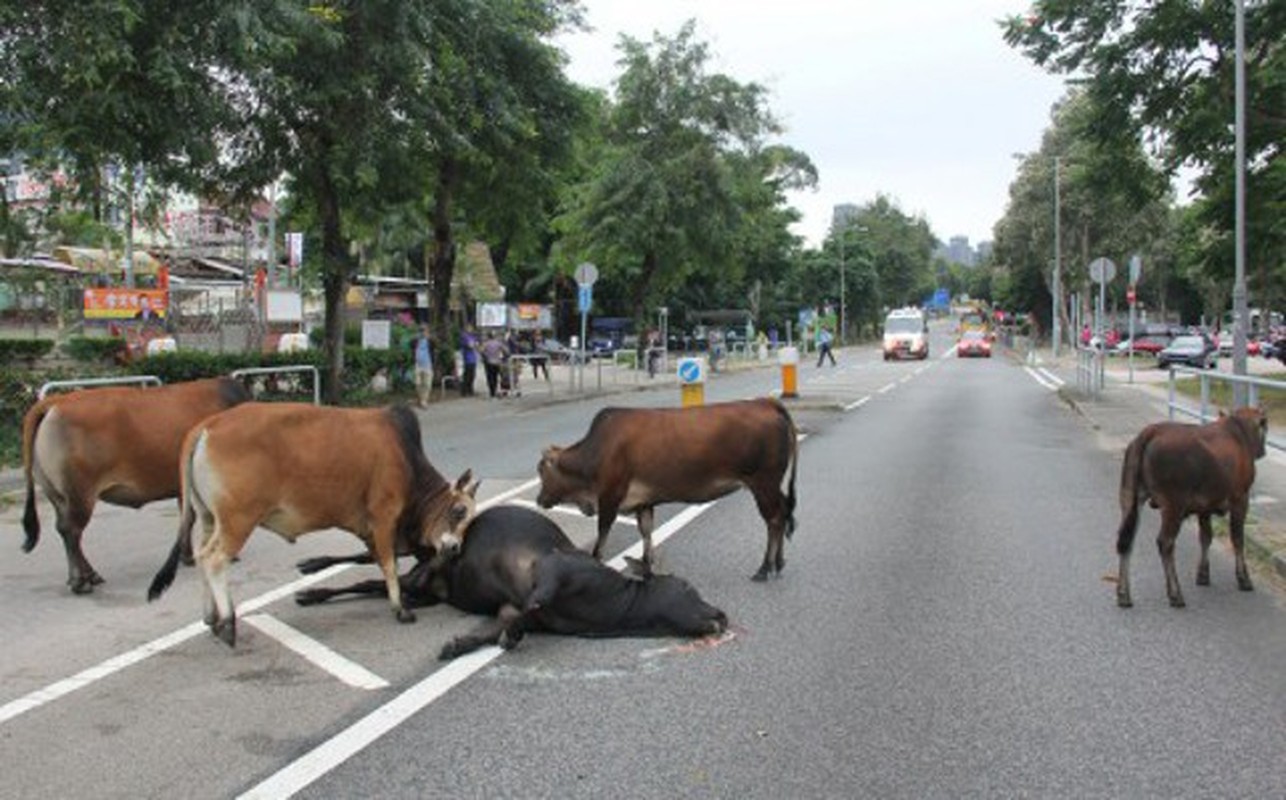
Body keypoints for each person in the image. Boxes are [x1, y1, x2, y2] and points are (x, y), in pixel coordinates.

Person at [480, 331, 508, 399]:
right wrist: (504, 357)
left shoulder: (486, 344)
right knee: (496, 377)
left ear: (488, 336)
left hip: (489, 362)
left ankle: (492, 392)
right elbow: (506, 350)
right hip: (497, 362)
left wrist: (484, 356)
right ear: (495, 336)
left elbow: (481, 351)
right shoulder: (498, 343)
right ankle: (496, 390)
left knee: (490, 377)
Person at [411, 325, 434, 408]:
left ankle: (424, 401)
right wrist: (417, 337)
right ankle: (421, 399)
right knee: (417, 383)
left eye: (425, 331)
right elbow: (410, 343)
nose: (423, 333)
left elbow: (436, 343)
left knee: (427, 384)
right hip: (418, 364)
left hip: (427, 364)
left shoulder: (430, 341)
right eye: (421, 331)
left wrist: (429, 337)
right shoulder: (416, 341)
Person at [459, 324, 479, 396]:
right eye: (469, 328)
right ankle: (464, 391)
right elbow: (469, 345)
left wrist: (474, 344)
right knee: (467, 375)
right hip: (467, 358)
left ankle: (470, 390)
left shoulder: (473, 336)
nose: (470, 329)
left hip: (473, 358)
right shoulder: (464, 336)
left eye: (471, 328)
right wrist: (473, 344)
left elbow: (476, 344)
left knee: (472, 375)